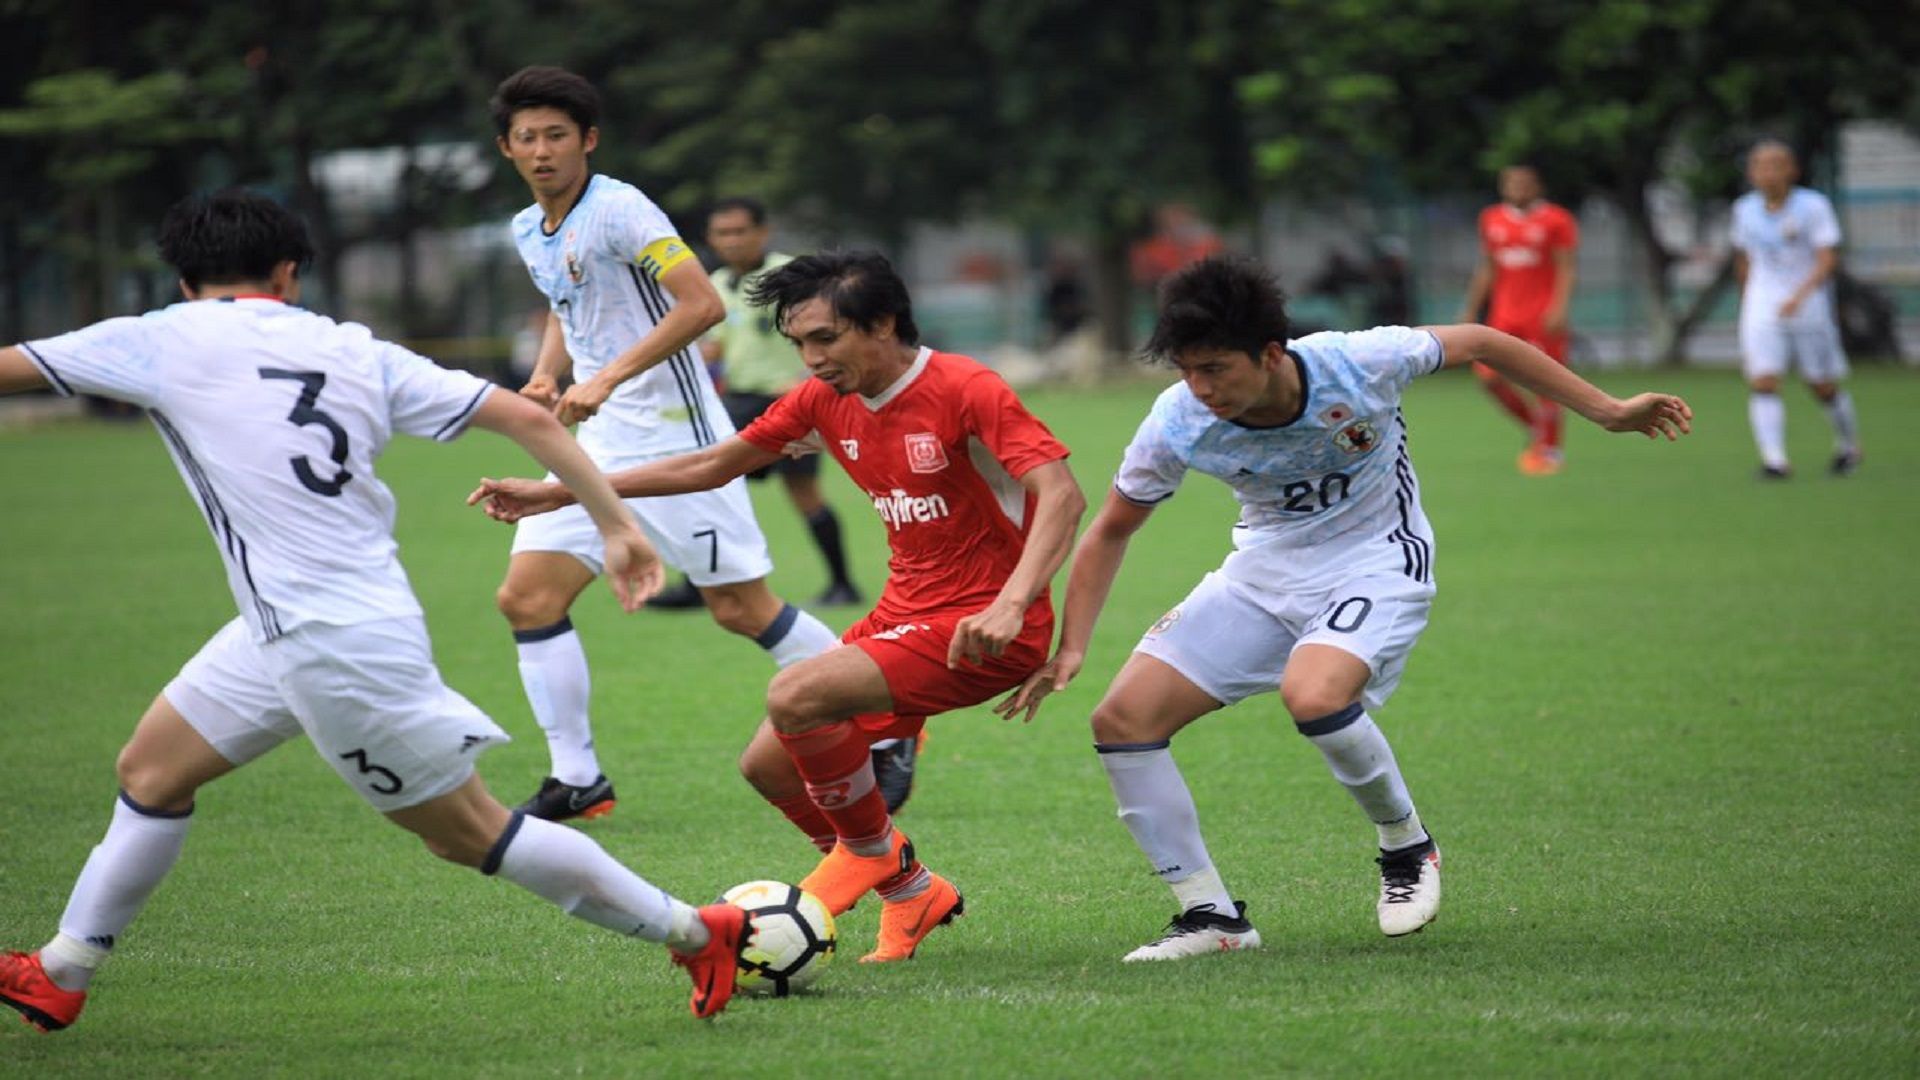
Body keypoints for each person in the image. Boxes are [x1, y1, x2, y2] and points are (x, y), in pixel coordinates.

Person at [0, 190, 747, 1030]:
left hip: (333, 642)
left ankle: (694, 930)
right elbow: (518, 416)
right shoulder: (349, 347)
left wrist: (614, 525)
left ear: (182, 278)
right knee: (152, 772)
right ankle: (62, 969)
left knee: (468, 833)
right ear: (288, 273)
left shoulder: (155, 338)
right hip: (286, 626)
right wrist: (615, 525)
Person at [1000, 256, 1690, 961]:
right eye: (1187, 371)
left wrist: (1607, 410)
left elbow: (1483, 341)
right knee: (1121, 721)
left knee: (1314, 694)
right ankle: (1211, 918)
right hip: (1263, 572)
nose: (1200, 389)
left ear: (1271, 354)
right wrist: (1075, 644)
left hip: (1376, 558)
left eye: (1215, 369)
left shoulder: (1359, 363)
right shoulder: (1178, 421)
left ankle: (1406, 846)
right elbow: (1112, 527)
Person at [469, 250, 1087, 962]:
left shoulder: (965, 387)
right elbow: (709, 464)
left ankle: (860, 854)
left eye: (825, 338)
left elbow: (1062, 493)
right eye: (798, 342)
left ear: (883, 323)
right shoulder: (824, 400)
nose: (811, 357)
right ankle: (911, 889)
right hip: (906, 614)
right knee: (767, 765)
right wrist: (556, 492)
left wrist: (1014, 603)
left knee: (796, 693)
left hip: (987, 627)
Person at [489, 67, 840, 822]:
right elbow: (563, 305)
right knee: (528, 597)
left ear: (588, 140)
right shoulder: (528, 228)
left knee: (742, 611)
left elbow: (702, 303)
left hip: (679, 440)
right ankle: (577, 778)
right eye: (528, 138)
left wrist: (607, 376)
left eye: (557, 135)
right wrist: (549, 375)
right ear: (507, 150)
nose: (543, 151)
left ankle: (881, 720)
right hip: (596, 439)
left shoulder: (620, 209)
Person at [1731, 139, 1861, 479]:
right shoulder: (1744, 209)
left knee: (1821, 384)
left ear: (1792, 170)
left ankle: (1848, 444)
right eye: (1760, 165)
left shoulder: (1813, 206)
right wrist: (1749, 302)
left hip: (1808, 306)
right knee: (1763, 380)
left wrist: (1800, 296)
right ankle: (1775, 460)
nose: (1768, 172)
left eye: (1776, 164)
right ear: (1751, 172)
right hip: (1762, 307)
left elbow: (1827, 258)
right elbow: (1743, 260)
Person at [1459, 163, 1580, 475]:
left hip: (1541, 316)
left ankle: (1550, 451)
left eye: (1525, 183)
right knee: (1488, 377)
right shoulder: (1491, 219)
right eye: (1512, 183)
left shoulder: (1557, 219)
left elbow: (1566, 267)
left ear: (1537, 186)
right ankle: (1537, 430)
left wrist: (1560, 308)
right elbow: (1487, 267)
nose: (1518, 189)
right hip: (1504, 316)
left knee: (1547, 383)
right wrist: (1471, 309)